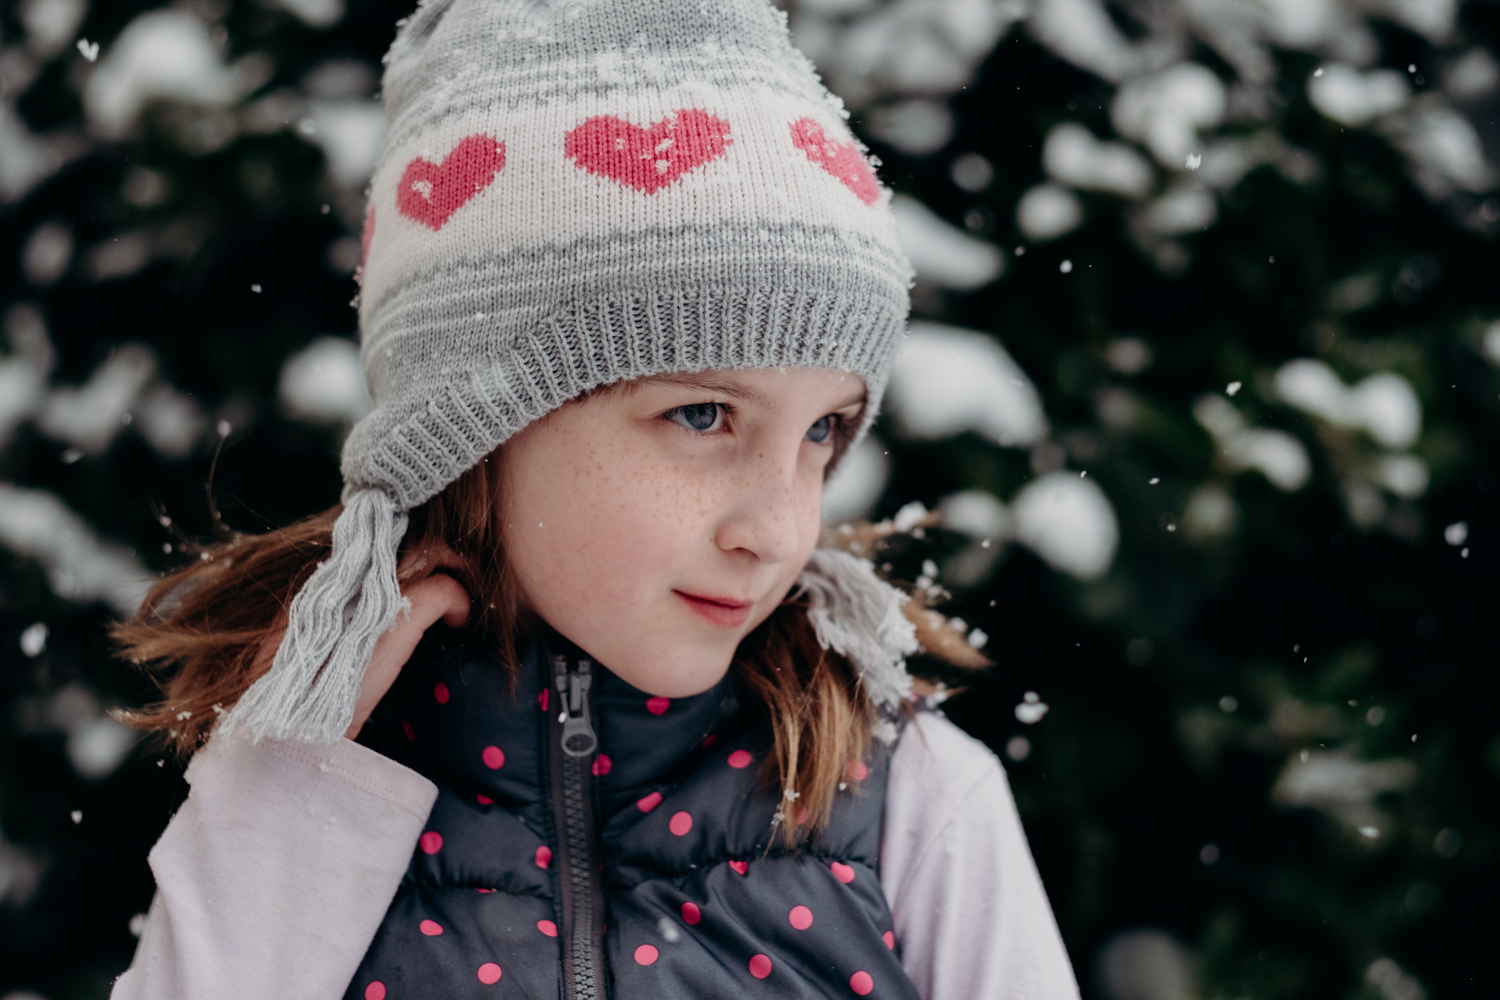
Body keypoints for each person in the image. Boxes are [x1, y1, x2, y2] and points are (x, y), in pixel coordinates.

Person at [109, 0, 1080, 997]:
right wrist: (288, 785)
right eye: (703, 413)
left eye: (822, 430)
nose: (778, 527)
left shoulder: (907, 798)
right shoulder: (305, 790)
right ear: (473, 422)